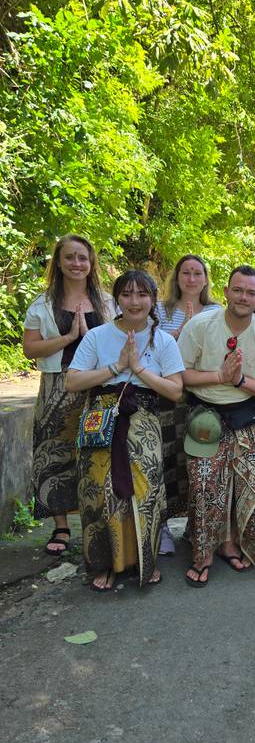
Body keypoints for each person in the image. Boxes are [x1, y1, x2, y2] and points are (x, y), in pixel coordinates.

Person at [66, 270, 184, 591]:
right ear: (117, 298)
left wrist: (139, 369)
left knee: (145, 490)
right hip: (101, 418)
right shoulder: (97, 336)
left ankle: (143, 562)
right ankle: (105, 563)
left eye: (142, 295)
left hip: (143, 419)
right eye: (127, 294)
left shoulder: (163, 340)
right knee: (98, 490)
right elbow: (72, 381)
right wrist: (116, 367)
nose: (135, 302)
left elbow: (175, 391)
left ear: (153, 299)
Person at [178, 265, 255, 587]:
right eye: (237, 290)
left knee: (254, 477)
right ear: (225, 292)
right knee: (204, 482)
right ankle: (204, 552)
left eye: (251, 292)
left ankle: (230, 541)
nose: (243, 297)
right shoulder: (200, 326)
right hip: (206, 414)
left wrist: (241, 381)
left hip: (247, 413)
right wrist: (219, 377)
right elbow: (181, 374)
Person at [22, 235, 114, 556]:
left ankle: (99, 520)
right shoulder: (42, 304)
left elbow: (118, 344)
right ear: (58, 263)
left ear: (91, 263)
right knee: (52, 454)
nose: (77, 263)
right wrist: (69, 337)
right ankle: (61, 526)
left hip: (97, 387)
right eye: (70, 257)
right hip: (56, 387)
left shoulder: (107, 302)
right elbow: (30, 348)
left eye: (83, 258)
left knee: (98, 452)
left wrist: (89, 339)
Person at [156, 254, 221, 554]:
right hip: (167, 397)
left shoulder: (217, 311)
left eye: (197, 273)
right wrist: (183, 332)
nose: (192, 278)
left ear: (206, 279)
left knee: (197, 462)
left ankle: (198, 526)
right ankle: (165, 527)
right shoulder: (159, 310)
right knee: (166, 461)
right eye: (186, 272)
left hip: (202, 396)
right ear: (177, 277)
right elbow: (150, 347)